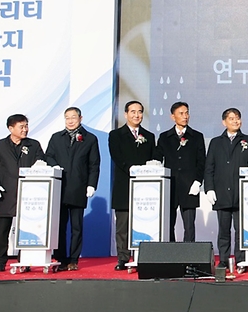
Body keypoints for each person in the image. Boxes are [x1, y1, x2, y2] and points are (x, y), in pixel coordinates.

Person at [0, 114, 45, 272]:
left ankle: (25, 259)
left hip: (28, 194)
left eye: (26, 126)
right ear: (11, 128)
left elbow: (42, 162)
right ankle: (0, 260)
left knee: (27, 227)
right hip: (5, 192)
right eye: (21, 126)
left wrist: (40, 164)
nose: (25, 129)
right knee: (3, 228)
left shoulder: (33, 145)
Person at [204, 108, 248, 269]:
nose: (235, 121)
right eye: (231, 118)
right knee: (223, 230)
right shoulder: (216, 142)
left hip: (242, 194)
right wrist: (209, 189)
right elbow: (209, 167)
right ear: (224, 122)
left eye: (237, 118)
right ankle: (223, 259)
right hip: (221, 192)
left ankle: (241, 260)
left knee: (241, 230)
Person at [45, 107, 100, 271]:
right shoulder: (56, 138)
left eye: (73, 117)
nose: (70, 121)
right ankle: (60, 258)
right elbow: (48, 156)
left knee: (77, 227)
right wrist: (54, 166)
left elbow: (94, 164)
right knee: (59, 226)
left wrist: (91, 184)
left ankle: (74, 259)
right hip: (59, 188)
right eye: (67, 117)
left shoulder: (90, 139)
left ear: (80, 118)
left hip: (78, 187)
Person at [107, 100, 156, 270]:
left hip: (146, 188)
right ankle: (123, 257)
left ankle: (145, 256)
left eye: (140, 112)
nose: (137, 115)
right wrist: (131, 169)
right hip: (124, 186)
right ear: (126, 114)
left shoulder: (149, 136)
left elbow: (153, 159)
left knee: (145, 223)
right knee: (123, 225)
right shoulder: (115, 135)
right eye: (133, 112)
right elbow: (117, 157)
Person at [156, 102, 206, 242]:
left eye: (187, 113)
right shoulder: (165, 137)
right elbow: (157, 158)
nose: (185, 116)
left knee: (189, 225)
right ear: (173, 117)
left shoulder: (196, 136)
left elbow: (201, 161)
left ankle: (189, 255)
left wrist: (197, 181)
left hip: (189, 185)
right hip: (170, 186)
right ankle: (170, 254)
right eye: (181, 113)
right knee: (168, 223)